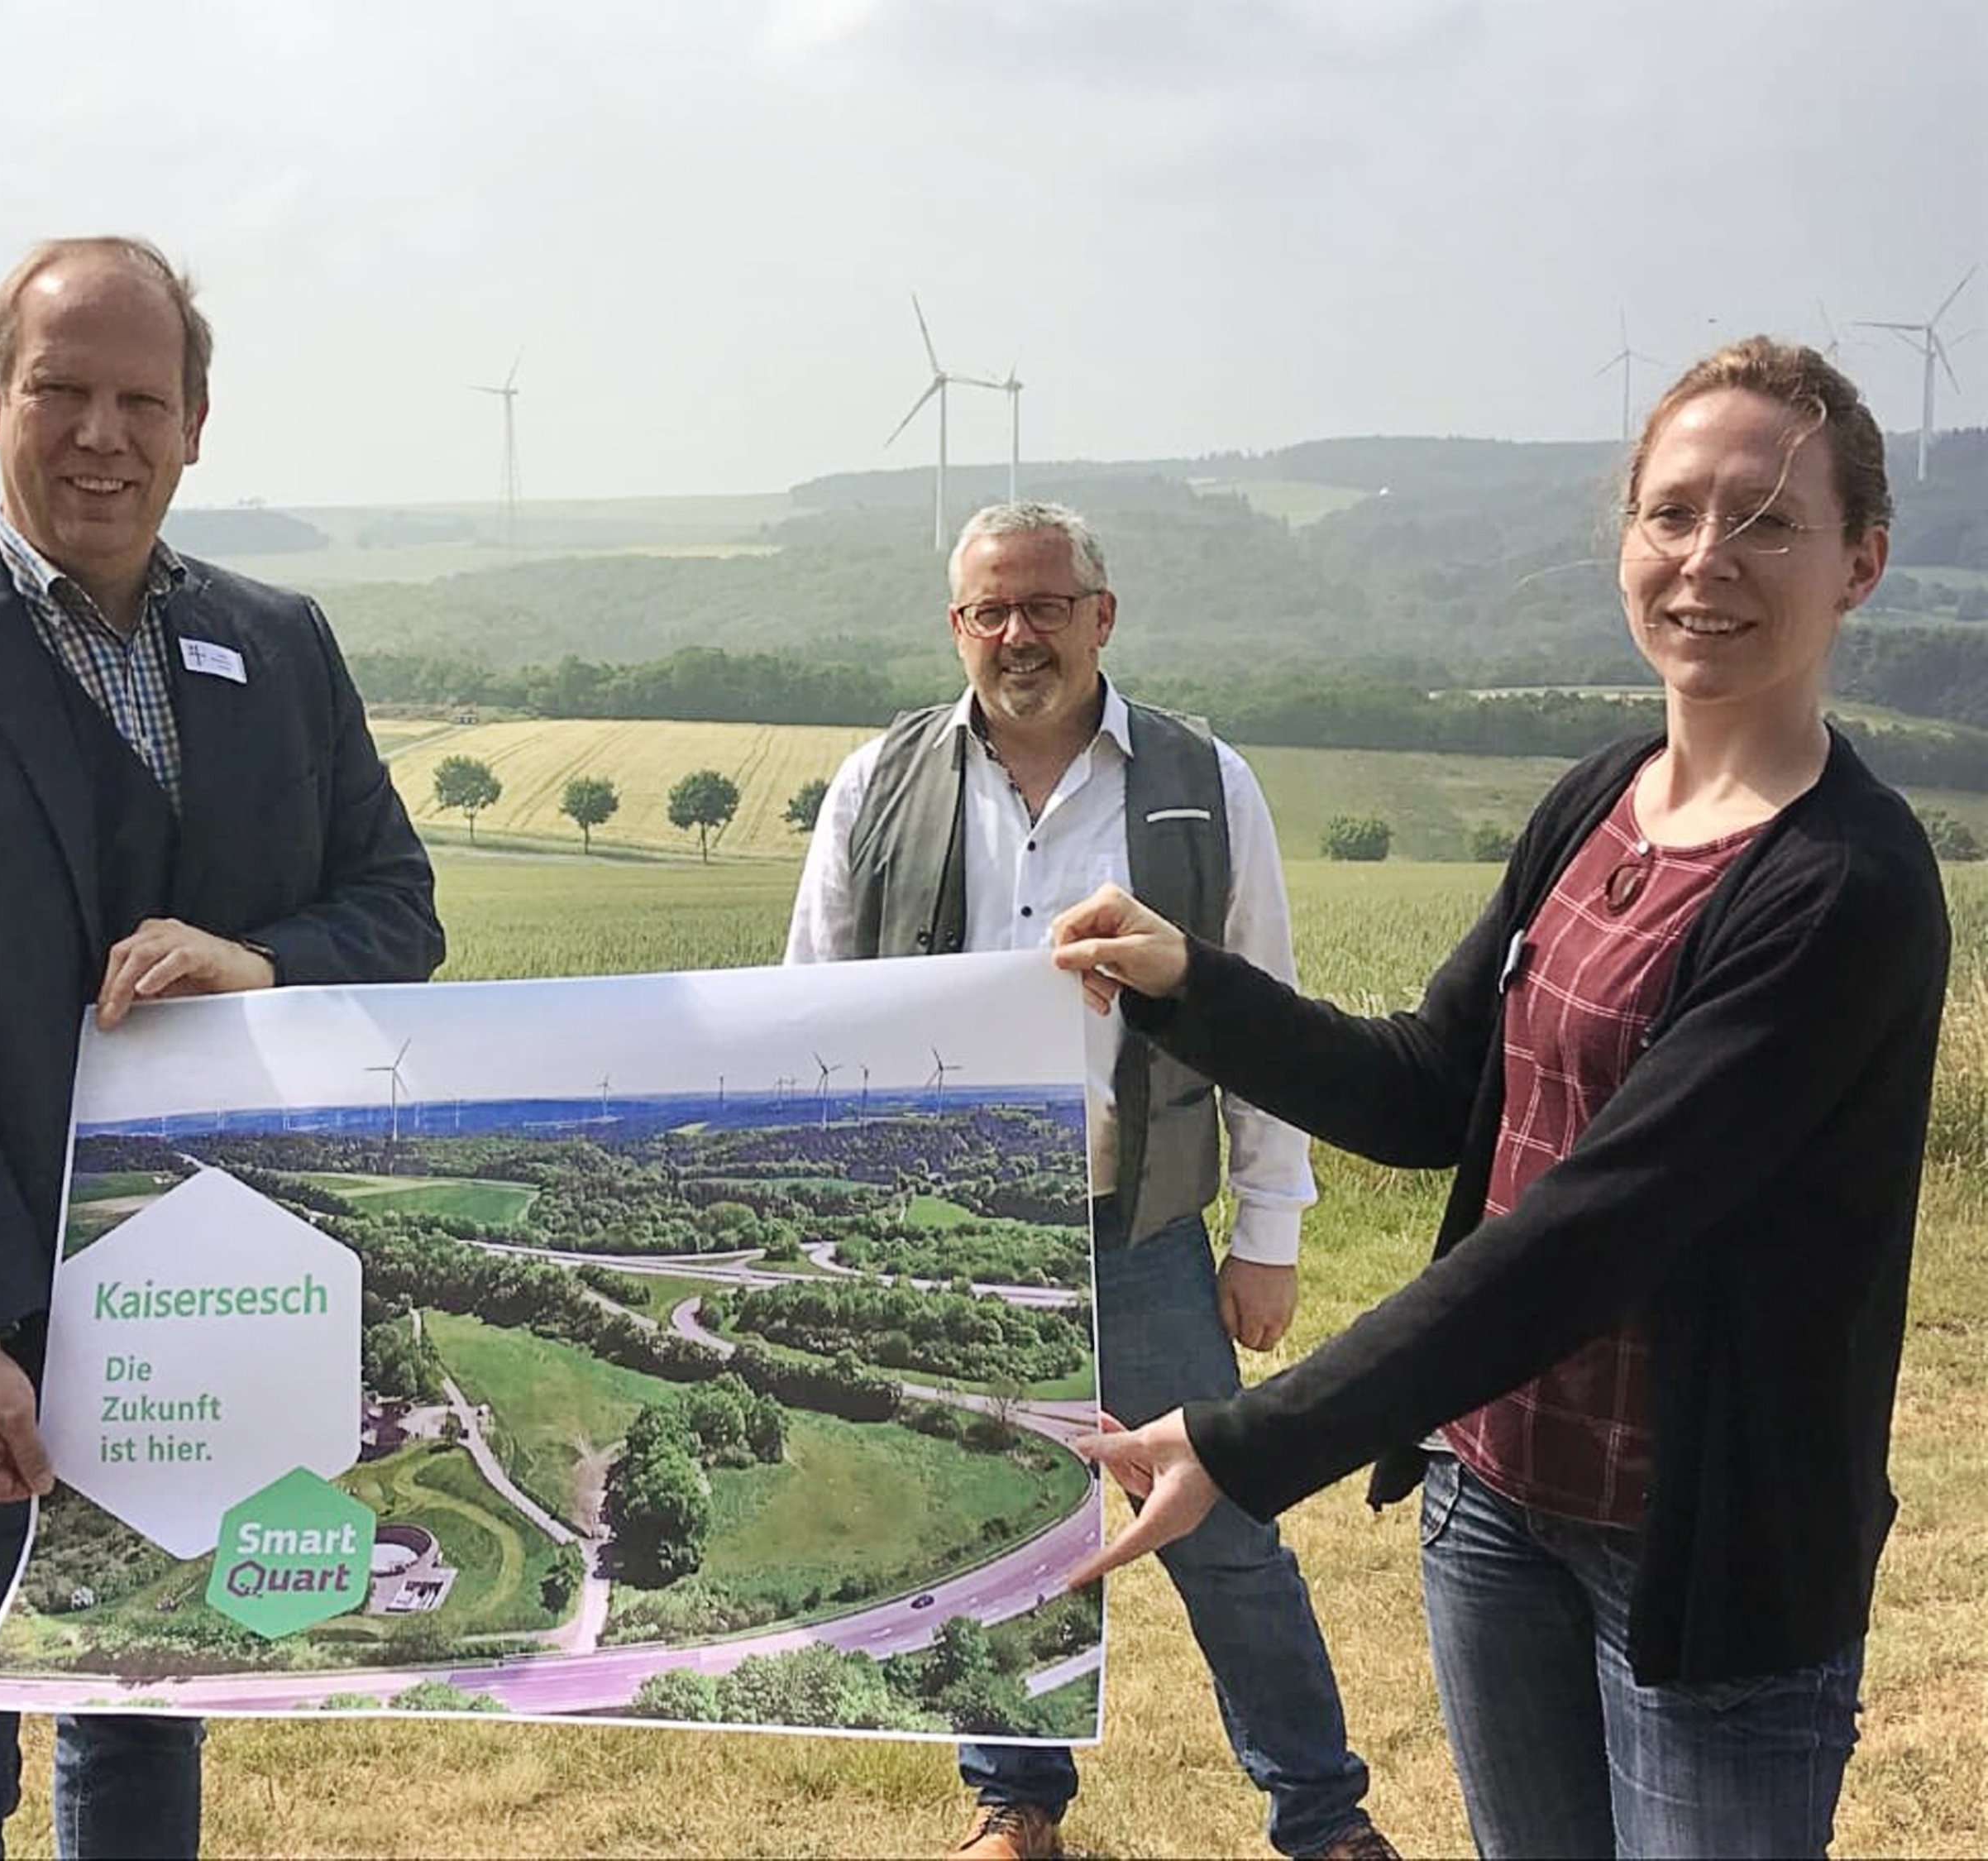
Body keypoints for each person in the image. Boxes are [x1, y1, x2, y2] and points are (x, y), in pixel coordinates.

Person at [1052, 338, 1944, 1858]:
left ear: (1860, 561)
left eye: (1767, 521)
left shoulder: (1843, 889)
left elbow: (1594, 1234)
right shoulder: (1599, 797)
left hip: (1705, 1562)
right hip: (1495, 1508)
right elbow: (1426, 1090)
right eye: (1670, 513)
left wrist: (1251, 1437)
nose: (1705, 559)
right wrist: (1189, 982)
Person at [0, 235, 444, 1859]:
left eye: (144, 399)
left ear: (198, 425)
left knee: (139, 1747)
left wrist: (260, 962)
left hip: (202, 1318)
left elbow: (399, 908)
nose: (101, 437)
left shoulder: (283, 648)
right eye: (62, 392)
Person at [786, 501, 1392, 1861]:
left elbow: (1266, 1011)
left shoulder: (1200, 780)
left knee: (1227, 1531)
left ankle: (1322, 1813)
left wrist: (1271, 1228)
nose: (1019, 634)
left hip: (1140, 1229)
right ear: (956, 627)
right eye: (990, 611)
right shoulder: (873, 783)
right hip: (950, 1229)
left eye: (1047, 606)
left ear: (1101, 617)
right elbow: (809, 1004)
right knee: (994, 1516)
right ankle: (1013, 1802)